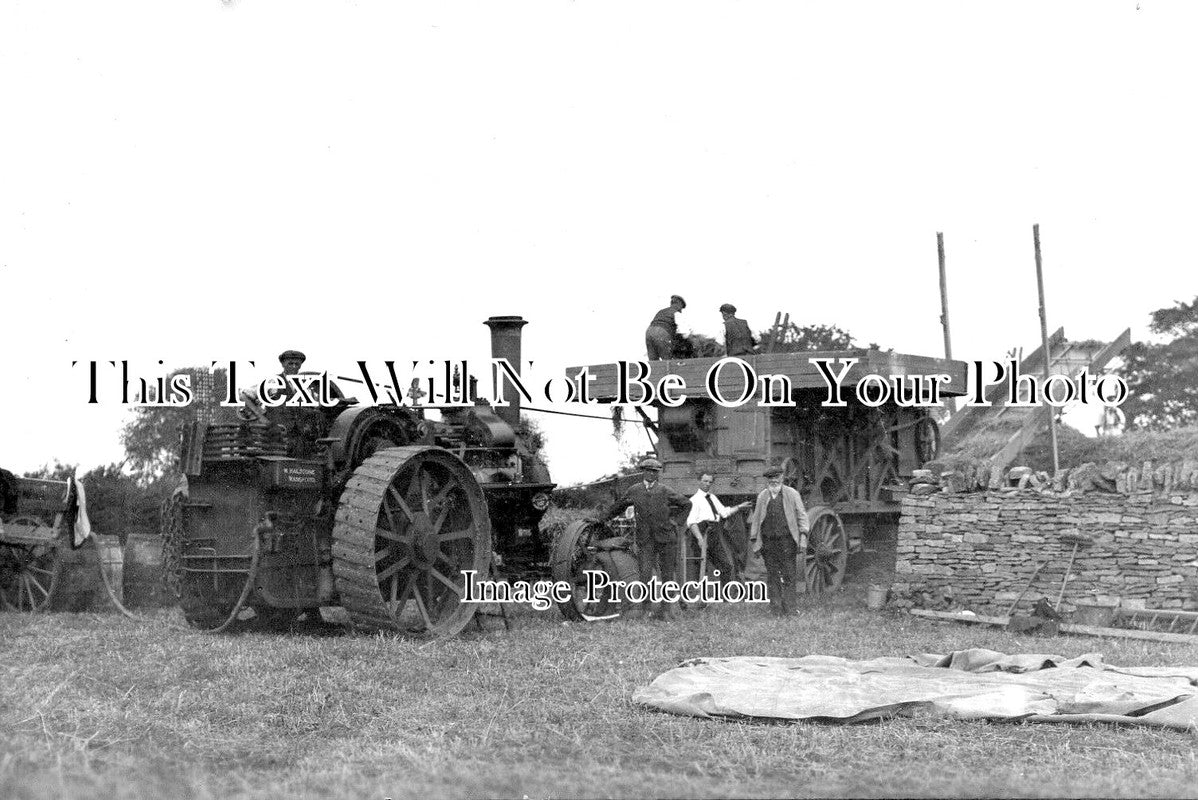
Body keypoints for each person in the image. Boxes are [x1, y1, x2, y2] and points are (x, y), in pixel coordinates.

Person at [602, 457, 691, 619]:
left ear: (658, 474)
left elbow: (686, 504)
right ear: (643, 472)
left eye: (654, 471)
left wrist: (675, 522)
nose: (650, 474)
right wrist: (601, 519)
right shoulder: (634, 490)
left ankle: (666, 610)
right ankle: (646, 610)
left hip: (666, 539)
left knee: (667, 575)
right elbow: (618, 506)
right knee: (645, 575)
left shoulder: (665, 490)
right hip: (646, 540)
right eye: (648, 470)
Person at [748, 465, 810, 616]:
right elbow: (756, 519)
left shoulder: (792, 494)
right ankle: (776, 609)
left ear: (782, 479)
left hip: (787, 542)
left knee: (789, 575)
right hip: (769, 543)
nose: (773, 481)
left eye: (776, 478)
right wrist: (755, 540)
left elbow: (802, 516)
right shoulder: (763, 496)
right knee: (772, 576)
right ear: (767, 481)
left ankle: (790, 609)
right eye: (770, 479)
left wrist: (802, 538)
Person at [685, 473, 751, 588]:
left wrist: (740, 507)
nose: (707, 484)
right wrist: (699, 538)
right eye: (705, 481)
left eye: (710, 482)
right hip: (701, 533)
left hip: (713, 533)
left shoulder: (712, 497)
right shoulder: (694, 500)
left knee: (726, 566)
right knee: (699, 568)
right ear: (699, 481)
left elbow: (724, 512)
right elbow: (691, 522)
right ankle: (695, 596)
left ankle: (725, 597)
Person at [645, 295, 686, 360]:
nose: (681, 310)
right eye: (681, 307)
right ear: (678, 304)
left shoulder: (661, 311)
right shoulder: (676, 313)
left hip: (649, 331)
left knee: (653, 360)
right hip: (662, 332)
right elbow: (683, 331)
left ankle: (654, 369)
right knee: (667, 359)